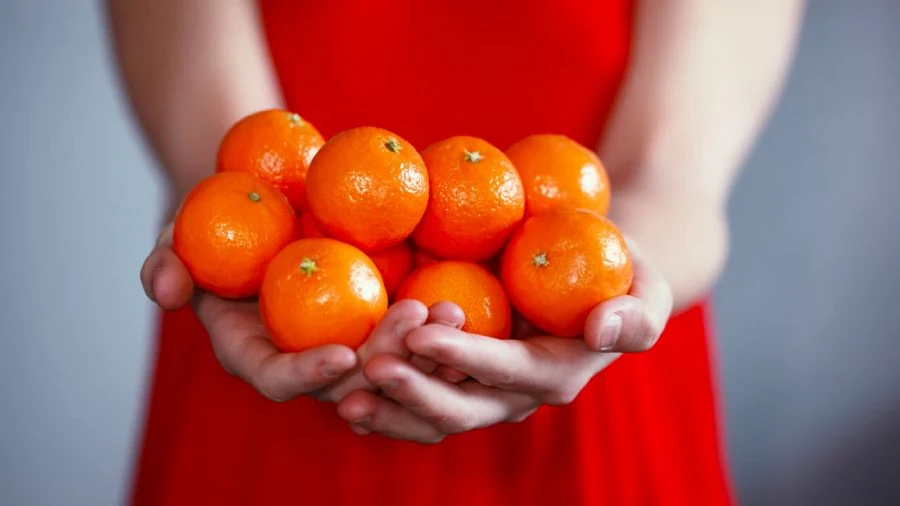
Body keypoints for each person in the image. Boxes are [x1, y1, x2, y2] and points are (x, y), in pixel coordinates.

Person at [109, 1, 804, 504]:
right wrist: (244, 244)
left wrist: (624, 265)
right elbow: (240, 167)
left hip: (586, 357)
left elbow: (671, 177)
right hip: (279, 333)